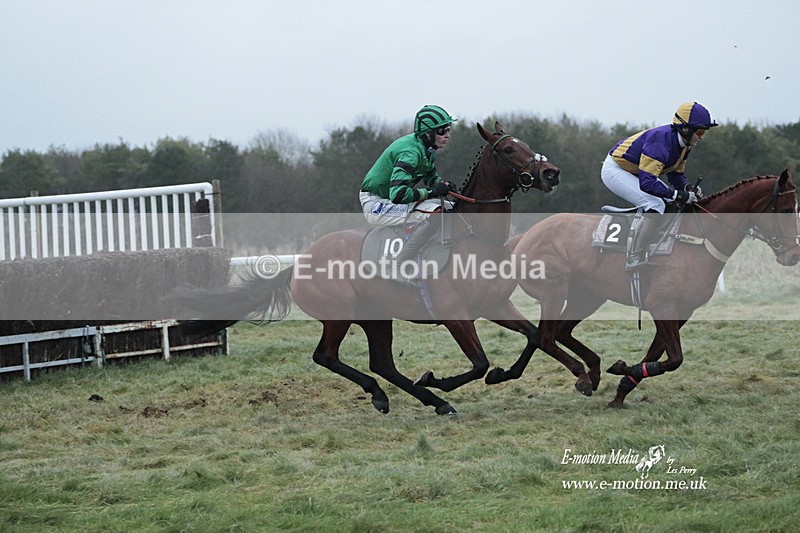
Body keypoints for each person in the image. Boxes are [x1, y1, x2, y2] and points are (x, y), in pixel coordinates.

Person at [601, 101, 718, 270]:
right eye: (699, 131)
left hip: (636, 172)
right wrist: (678, 195)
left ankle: (656, 246)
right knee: (655, 204)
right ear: (685, 128)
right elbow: (647, 184)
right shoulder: (660, 143)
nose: (701, 137)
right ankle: (634, 255)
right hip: (615, 170)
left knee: (670, 203)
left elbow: (676, 175)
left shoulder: (685, 144)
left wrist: (686, 189)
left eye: (704, 132)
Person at [359, 104, 457, 268]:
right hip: (377, 204)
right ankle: (402, 262)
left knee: (454, 208)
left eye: (448, 129)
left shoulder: (426, 148)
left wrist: (443, 185)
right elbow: (398, 195)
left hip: (391, 200)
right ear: (428, 133)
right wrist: (433, 192)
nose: (447, 135)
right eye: (442, 131)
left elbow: (429, 175)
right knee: (436, 213)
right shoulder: (410, 153)